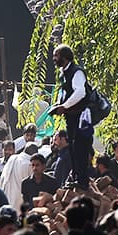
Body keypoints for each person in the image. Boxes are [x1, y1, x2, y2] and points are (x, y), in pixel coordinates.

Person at [47, 45, 95, 188]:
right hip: (71, 117)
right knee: (73, 148)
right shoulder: (63, 73)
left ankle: (82, 181)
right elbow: (64, 93)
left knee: (81, 147)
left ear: (65, 57)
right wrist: (58, 105)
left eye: (56, 56)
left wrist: (64, 106)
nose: (54, 59)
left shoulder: (77, 72)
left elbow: (80, 92)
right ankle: (76, 177)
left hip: (81, 117)